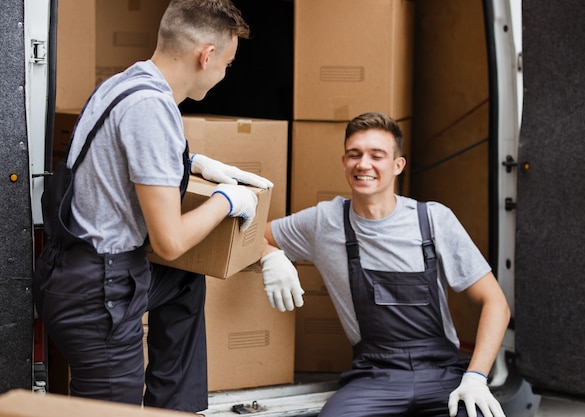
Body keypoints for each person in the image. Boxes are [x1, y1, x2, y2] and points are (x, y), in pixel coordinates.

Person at [33, 0, 272, 412]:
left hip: (77, 272)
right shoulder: (153, 110)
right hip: (99, 297)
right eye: (228, 64)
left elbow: (116, 161)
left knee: (183, 282)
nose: (224, 75)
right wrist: (227, 201)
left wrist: (193, 163)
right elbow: (170, 243)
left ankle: (174, 409)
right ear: (207, 55)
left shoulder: (125, 83)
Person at [260, 112, 511, 417]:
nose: (363, 164)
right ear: (344, 162)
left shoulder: (433, 220)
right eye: (355, 155)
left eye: (376, 156)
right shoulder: (324, 221)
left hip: (442, 374)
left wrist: (475, 378)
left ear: (397, 165)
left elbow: (495, 303)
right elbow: (251, 233)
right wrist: (270, 255)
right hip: (375, 378)